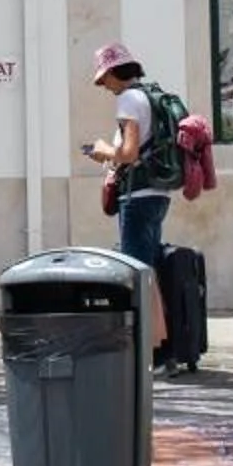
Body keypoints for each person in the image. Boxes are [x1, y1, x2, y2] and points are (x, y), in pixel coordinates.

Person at [87, 42, 180, 343]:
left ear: (115, 72)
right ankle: (160, 345)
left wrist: (103, 151)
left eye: (103, 79)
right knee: (148, 272)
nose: (102, 86)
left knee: (138, 275)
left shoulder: (128, 99)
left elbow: (128, 153)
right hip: (158, 192)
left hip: (137, 195)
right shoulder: (149, 95)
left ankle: (153, 350)